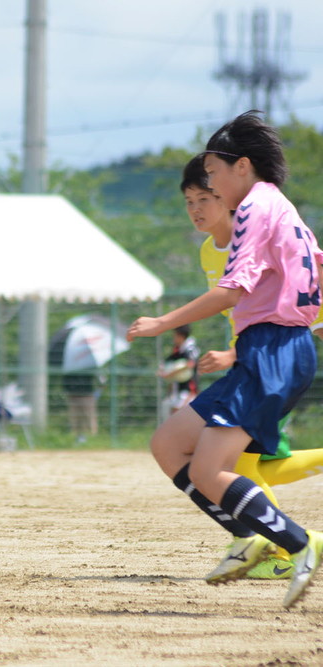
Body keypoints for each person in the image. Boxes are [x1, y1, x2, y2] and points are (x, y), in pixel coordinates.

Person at [127, 111, 323, 609]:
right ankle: (250, 537)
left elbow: (234, 290)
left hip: (272, 350)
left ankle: (298, 544)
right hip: (270, 351)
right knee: (170, 444)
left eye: (211, 175)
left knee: (212, 470)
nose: (207, 183)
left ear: (241, 167)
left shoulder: (257, 209)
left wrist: (160, 323)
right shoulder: (281, 208)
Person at [178, 153, 323, 580]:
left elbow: (294, 313)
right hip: (250, 366)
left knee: (239, 468)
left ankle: (281, 548)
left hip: (272, 364)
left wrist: (235, 354)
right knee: (244, 467)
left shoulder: (257, 235)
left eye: (206, 196)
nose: (198, 209)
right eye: (189, 201)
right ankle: (272, 544)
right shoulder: (210, 251)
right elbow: (241, 314)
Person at [157, 325, 199, 421]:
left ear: (181, 336)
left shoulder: (191, 349)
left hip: (188, 391)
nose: (173, 338)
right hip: (176, 390)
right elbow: (168, 361)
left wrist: (170, 373)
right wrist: (162, 369)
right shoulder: (178, 349)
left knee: (180, 416)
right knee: (168, 411)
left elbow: (190, 364)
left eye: (174, 336)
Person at [61, 371, 97, 444]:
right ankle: (78, 437)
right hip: (73, 395)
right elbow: (65, 382)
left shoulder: (89, 367)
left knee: (88, 417)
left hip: (87, 395)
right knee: (75, 418)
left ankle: (91, 438)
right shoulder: (70, 368)